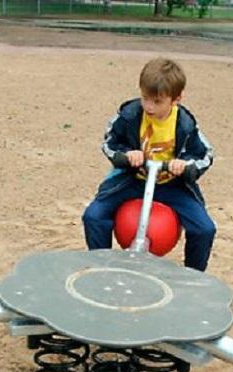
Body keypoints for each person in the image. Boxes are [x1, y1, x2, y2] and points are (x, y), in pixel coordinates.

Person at [82, 58, 216, 272]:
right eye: (145, 98)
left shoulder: (185, 124)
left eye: (157, 101)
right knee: (94, 216)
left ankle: (194, 275)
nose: (149, 106)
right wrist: (126, 155)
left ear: (176, 99)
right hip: (132, 180)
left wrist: (186, 165)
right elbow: (109, 142)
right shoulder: (129, 115)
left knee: (204, 229)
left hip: (171, 185)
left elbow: (206, 155)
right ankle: (101, 267)